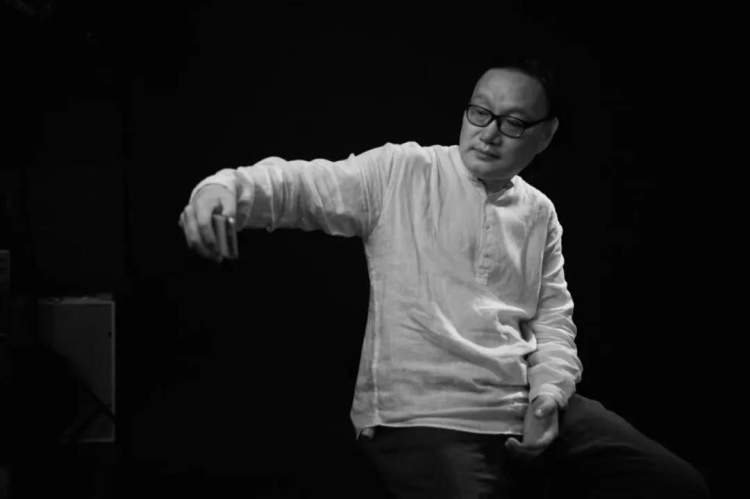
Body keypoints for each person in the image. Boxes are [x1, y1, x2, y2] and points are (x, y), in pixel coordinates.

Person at [178, 56, 710, 498]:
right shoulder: (403, 171)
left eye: (514, 123)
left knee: (677, 485)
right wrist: (222, 190)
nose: (489, 133)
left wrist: (548, 397)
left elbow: (552, 324)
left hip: (521, 403)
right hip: (423, 416)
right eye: (480, 112)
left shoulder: (539, 212)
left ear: (545, 136)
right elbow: (299, 186)